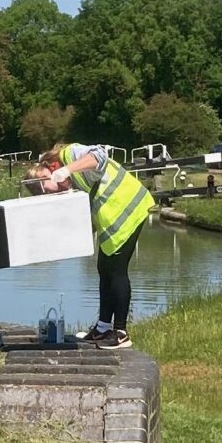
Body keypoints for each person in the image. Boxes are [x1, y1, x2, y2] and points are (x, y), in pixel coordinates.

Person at [36, 143, 155, 348]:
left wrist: (67, 169)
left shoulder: (70, 154)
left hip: (128, 207)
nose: (62, 188)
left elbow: (99, 156)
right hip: (113, 220)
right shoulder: (72, 182)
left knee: (117, 270)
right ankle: (102, 329)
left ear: (52, 167)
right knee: (105, 269)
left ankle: (120, 333)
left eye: (56, 185)